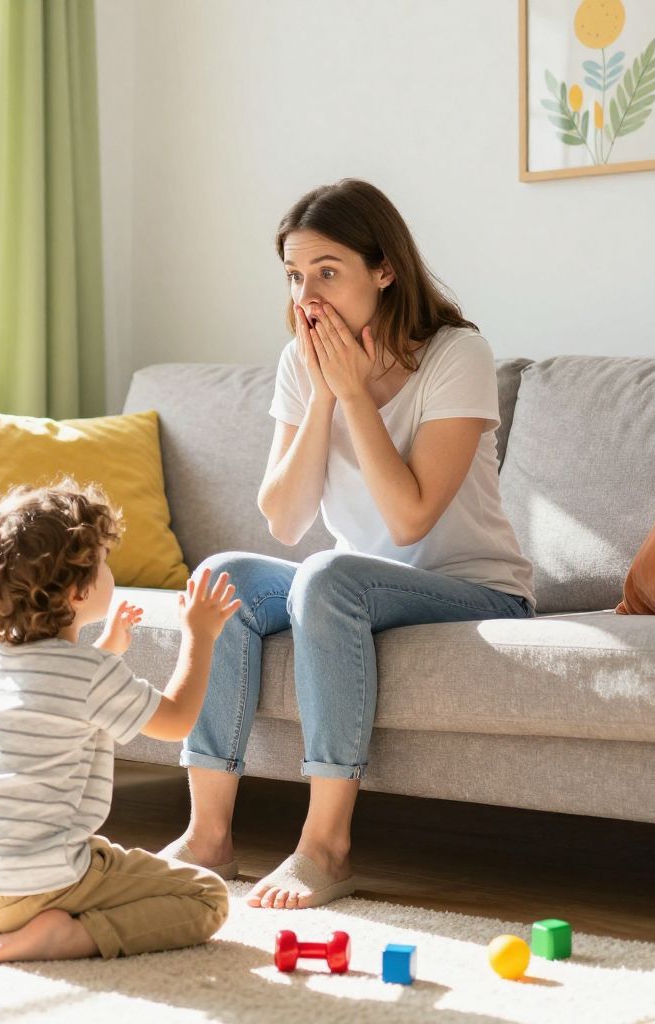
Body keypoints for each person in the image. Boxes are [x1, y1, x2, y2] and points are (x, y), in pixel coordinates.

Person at [158, 178, 537, 910]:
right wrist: (326, 391)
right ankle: (209, 840)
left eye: (328, 272)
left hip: (474, 588)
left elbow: (409, 519)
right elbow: (284, 519)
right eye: (297, 277)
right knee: (221, 575)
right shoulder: (301, 363)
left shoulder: (456, 354)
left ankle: (326, 849)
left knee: (327, 577)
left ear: (384, 268)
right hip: (354, 585)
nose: (310, 296)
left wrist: (357, 393)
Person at [0, 481, 241, 962]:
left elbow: (60, 699)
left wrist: (108, 649)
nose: (109, 570)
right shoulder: (89, 673)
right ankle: (65, 936)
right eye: (102, 562)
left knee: (95, 852)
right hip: (38, 884)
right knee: (206, 896)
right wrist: (199, 635)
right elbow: (177, 719)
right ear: (78, 591)